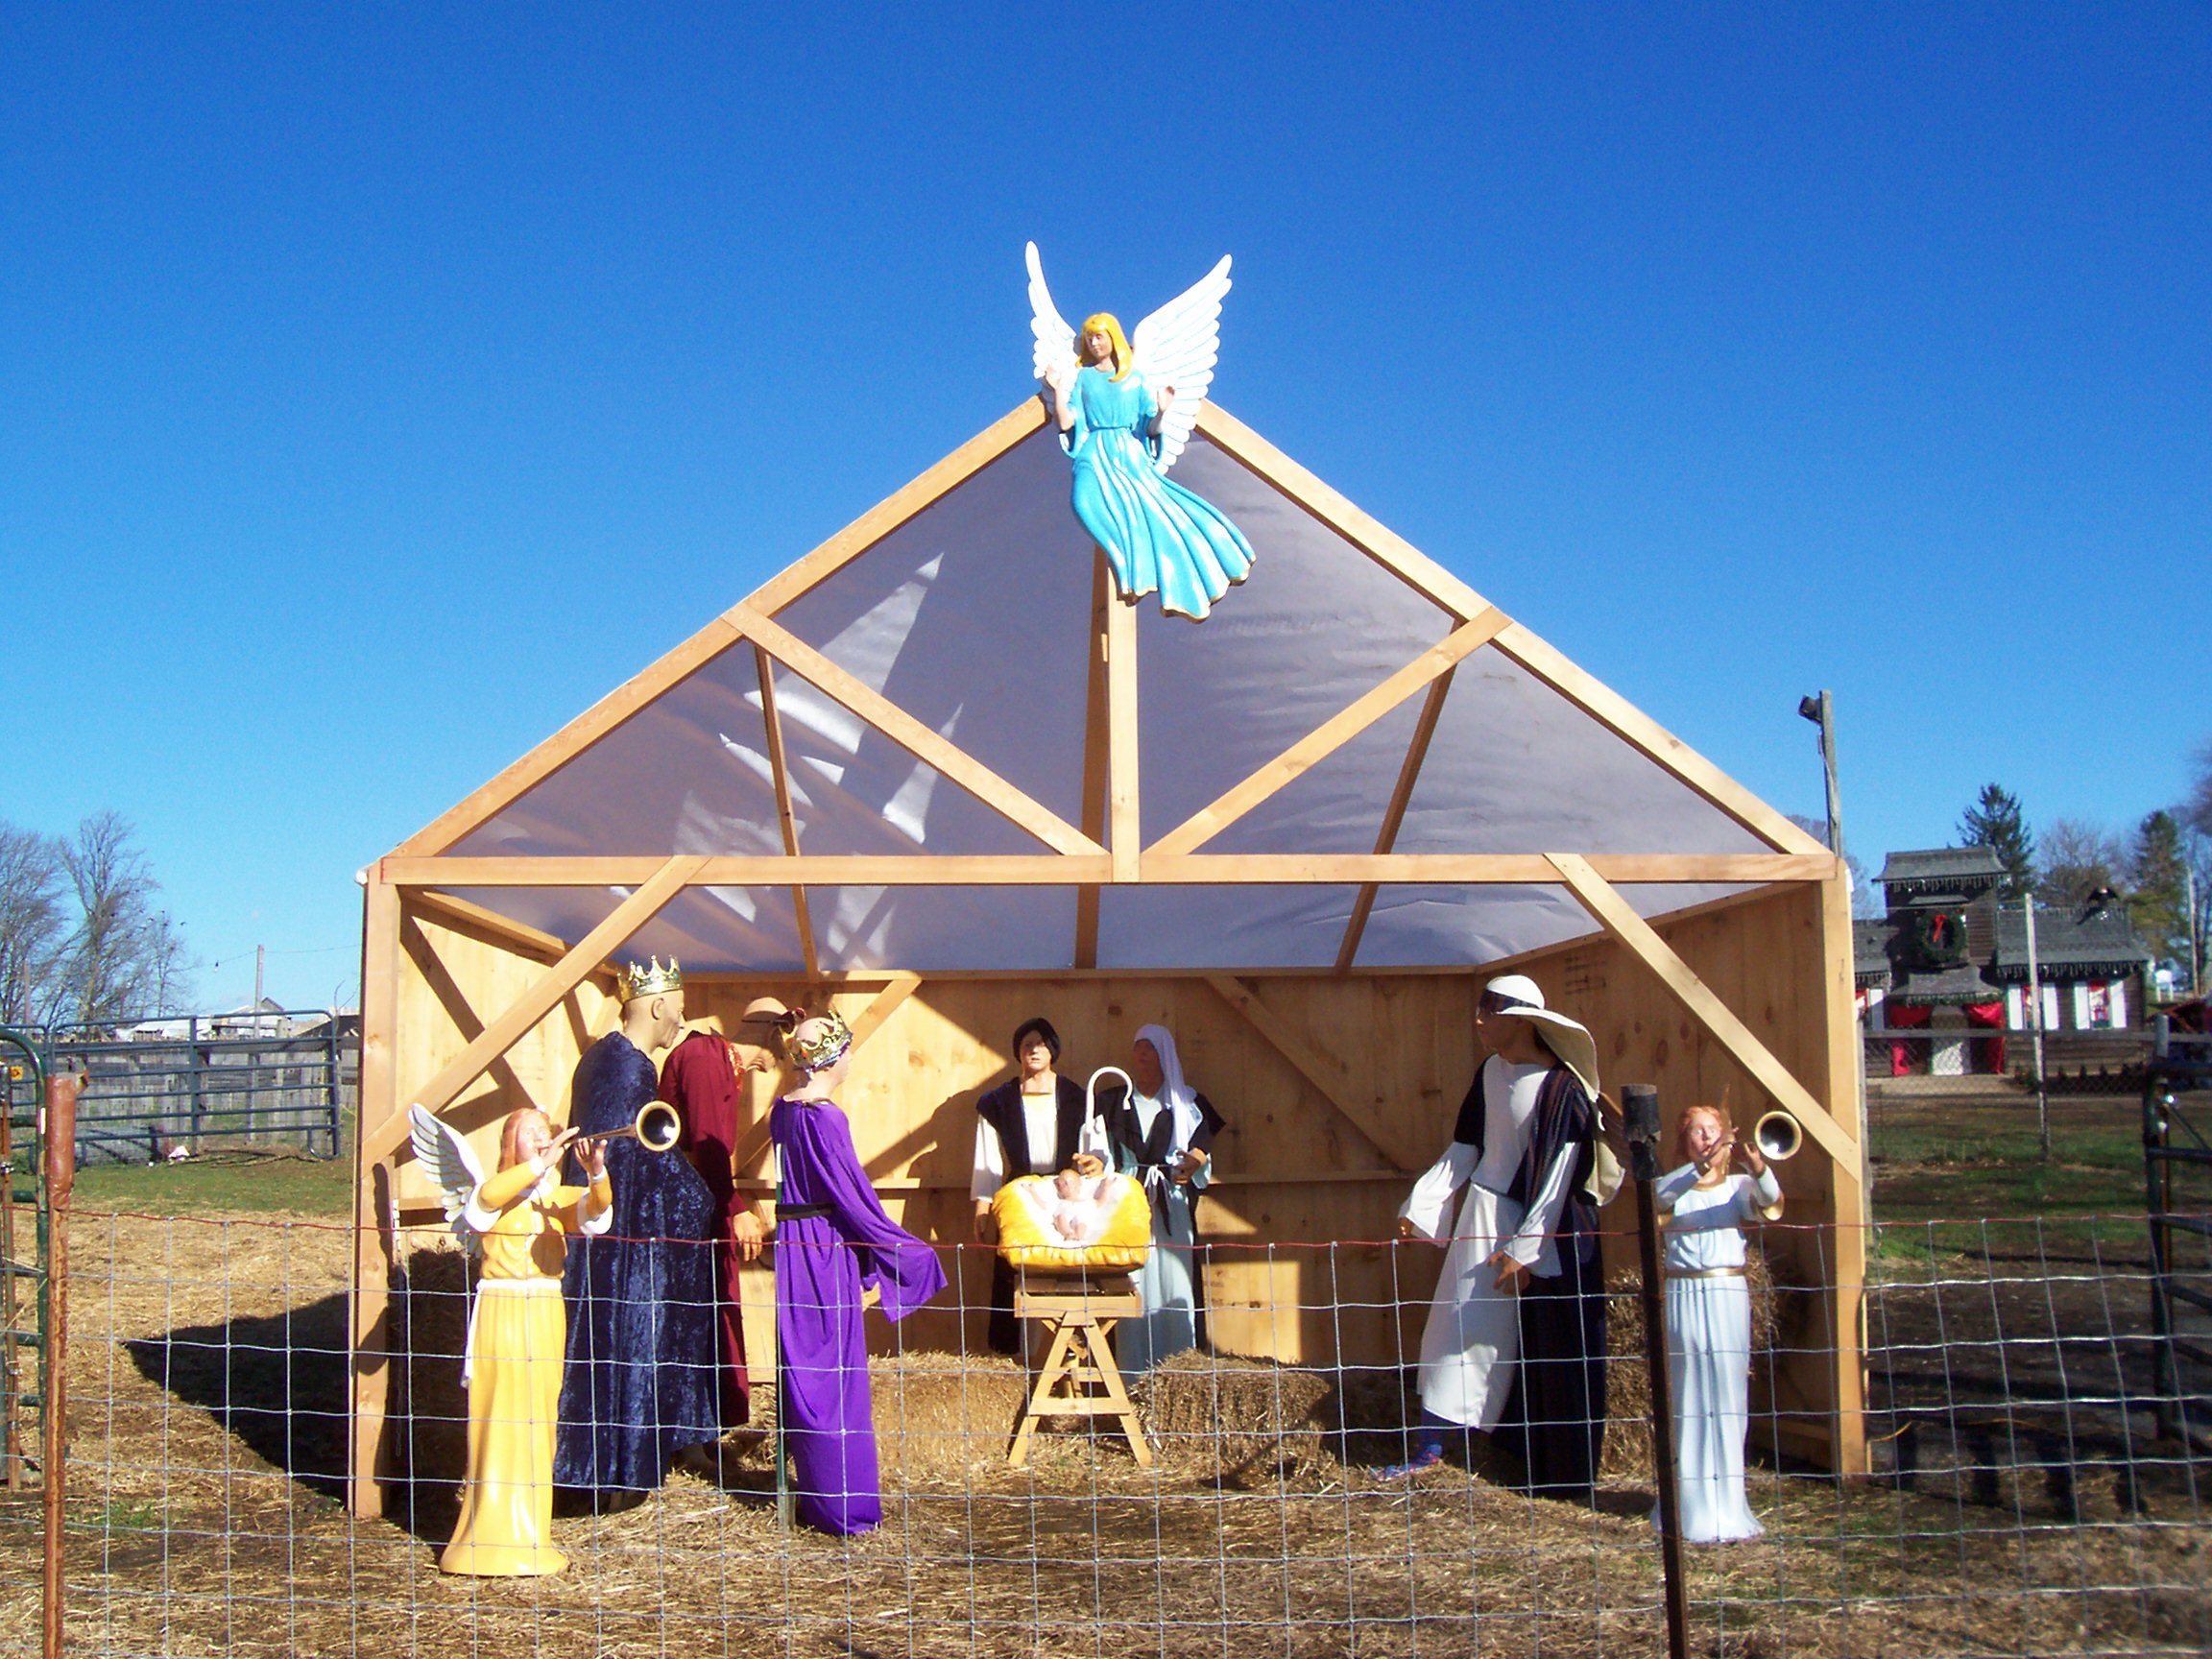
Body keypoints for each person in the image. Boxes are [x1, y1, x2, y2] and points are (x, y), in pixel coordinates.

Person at [1391, 974, 1609, 1501]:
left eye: (1488, 1010)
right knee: (1452, 1330)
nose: (1479, 1019)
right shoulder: (1489, 1072)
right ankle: (1429, 1451)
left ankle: (1556, 1474)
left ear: (1518, 1017)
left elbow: (1560, 1175)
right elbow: (1468, 1145)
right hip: (1482, 1219)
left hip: (1545, 1233)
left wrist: (1526, 1247)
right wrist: (1423, 1203)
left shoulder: (1563, 1089)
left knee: (1545, 1349)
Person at [765, 1010, 947, 1534]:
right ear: (831, 1058)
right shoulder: (825, 1117)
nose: (851, 1057)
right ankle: (845, 1508)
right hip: (823, 1250)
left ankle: (819, 1497)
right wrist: (903, 1250)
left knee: (805, 1370)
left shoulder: (783, 1111)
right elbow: (853, 1198)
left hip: (792, 1247)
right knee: (835, 1374)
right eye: (845, 1048)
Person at [554, 958, 722, 1495]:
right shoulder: (630, 1068)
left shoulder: (600, 1057)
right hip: (624, 1238)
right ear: (656, 1005)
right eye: (678, 1008)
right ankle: (622, 1461)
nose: (680, 1020)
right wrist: (697, 1197)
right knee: (634, 1332)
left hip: (602, 1225)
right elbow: (632, 1153)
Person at [440, 1108, 612, 1575]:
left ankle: (530, 1534)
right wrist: (540, 1164)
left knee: (539, 1418)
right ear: (511, 1143)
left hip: (544, 1310)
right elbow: (484, 1200)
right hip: (503, 1309)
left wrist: (596, 1170)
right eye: (530, 1134)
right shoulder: (497, 1192)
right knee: (498, 1414)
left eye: (545, 1133)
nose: (541, 1139)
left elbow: (596, 1211)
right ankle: (485, 1536)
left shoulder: (553, 1197)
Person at [1040, 312, 1254, 622]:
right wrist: (1058, 389)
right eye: (1089, 337)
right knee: (1083, 503)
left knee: (1148, 514)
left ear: (1113, 338)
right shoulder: (1084, 378)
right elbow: (1067, 421)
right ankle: (1126, 563)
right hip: (1095, 450)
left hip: (1129, 454)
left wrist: (1162, 413)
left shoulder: (1136, 378)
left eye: (1099, 336)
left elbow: (1150, 429)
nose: (1094, 342)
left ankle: (1138, 575)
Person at [656, 996, 802, 1431]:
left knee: (713, 1309)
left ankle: (704, 1426)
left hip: (702, 1203)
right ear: (774, 1032)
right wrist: (735, 1208)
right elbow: (704, 1143)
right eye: (783, 1046)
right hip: (684, 1210)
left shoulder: (724, 1062)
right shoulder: (703, 1056)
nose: (781, 1061)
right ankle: (689, 1430)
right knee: (697, 1315)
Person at [1652, 1104, 1781, 1543]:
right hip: (1686, 1293)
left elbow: (1767, 1201)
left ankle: (1728, 1503)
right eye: (1697, 1132)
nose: (1707, 1138)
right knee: (1689, 1392)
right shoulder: (1674, 1184)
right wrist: (1700, 1166)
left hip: (1728, 1293)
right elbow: (1659, 1197)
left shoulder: (1737, 1186)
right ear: (1684, 1139)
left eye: (1714, 1131)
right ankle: (1688, 1505)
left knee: (1728, 1393)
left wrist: (1758, 1166)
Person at [1093, 1023, 1226, 1372]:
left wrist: (1194, 1161)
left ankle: (1178, 1372)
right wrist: (1097, 1165)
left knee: (1176, 1280)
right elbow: (1102, 1152)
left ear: (1164, 1055)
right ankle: (1133, 1376)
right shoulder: (1113, 1102)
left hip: (1173, 1205)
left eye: (1149, 1048)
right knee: (1133, 1284)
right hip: (1129, 1204)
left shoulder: (1189, 1103)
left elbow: (1201, 1147)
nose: (1141, 1055)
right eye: (1137, 1047)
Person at [971, 1017, 1102, 1354]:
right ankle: (1017, 1360)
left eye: (1041, 1044)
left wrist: (1096, 1165)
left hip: (1068, 1197)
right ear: (1018, 1052)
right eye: (1027, 1044)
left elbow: (1098, 1152)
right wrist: (983, 1207)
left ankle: (1068, 1357)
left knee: (1066, 1277)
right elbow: (987, 1161)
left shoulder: (1079, 1098)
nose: (1034, 1050)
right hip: (1021, 1198)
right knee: (1017, 1276)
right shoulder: (998, 1102)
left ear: (1053, 1051)